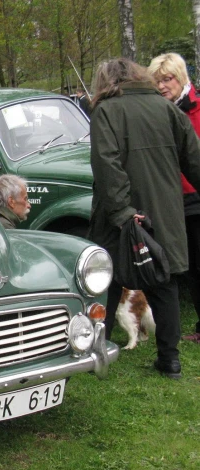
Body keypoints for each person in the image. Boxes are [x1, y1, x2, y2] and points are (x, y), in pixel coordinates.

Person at [88, 58, 200, 379]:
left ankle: (100, 352)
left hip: (118, 216)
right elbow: (194, 160)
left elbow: (107, 167)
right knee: (164, 282)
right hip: (163, 213)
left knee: (106, 281)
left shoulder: (106, 112)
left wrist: (123, 212)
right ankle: (170, 359)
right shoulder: (167, 109)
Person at [147, 53, 200, 345]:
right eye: (158, 81)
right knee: (189, 267)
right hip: (173, 199)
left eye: (168, 79)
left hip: (196, 196)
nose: (163, 86)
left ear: (180, 79)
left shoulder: (196, 110)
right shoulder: (159, 113)